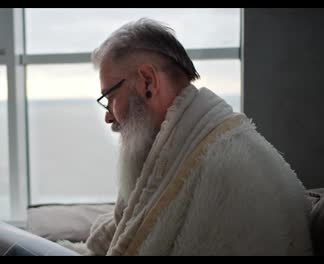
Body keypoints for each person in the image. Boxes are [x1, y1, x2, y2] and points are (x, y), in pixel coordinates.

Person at [59, 18, 313, 256]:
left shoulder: (227, 163)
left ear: (148, 81)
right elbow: (125, 226)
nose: (108, 117)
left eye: (110, 97)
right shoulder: (169, 149)